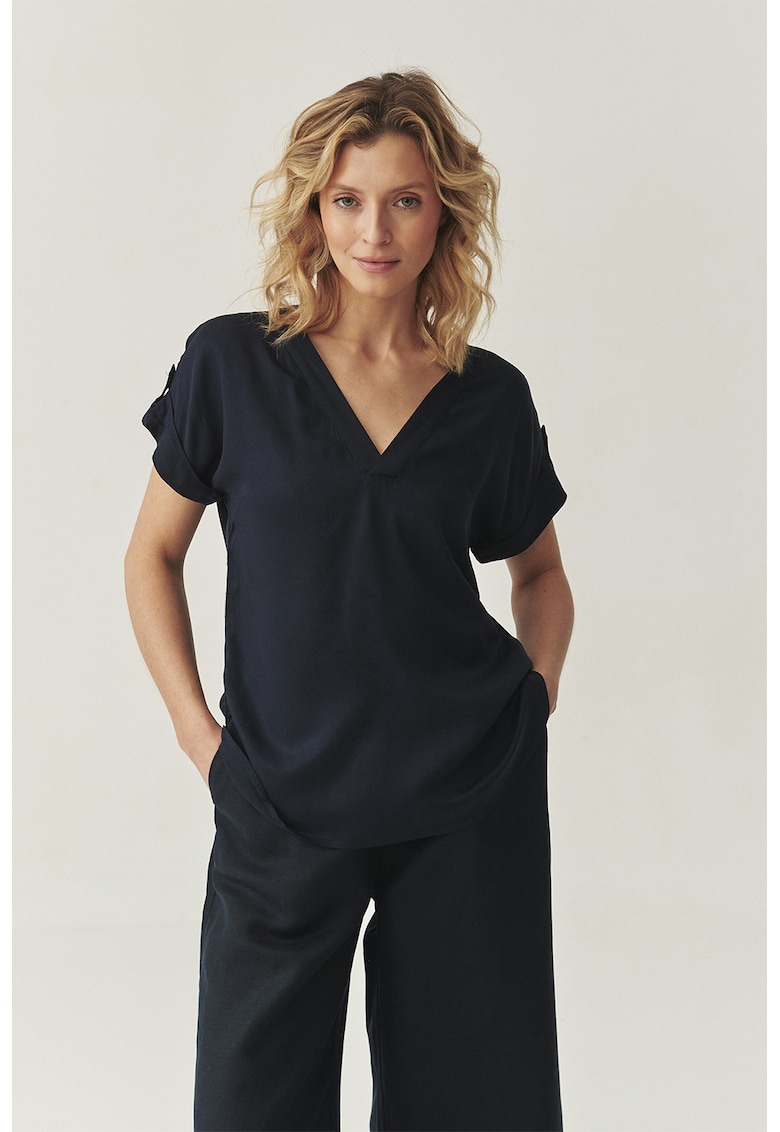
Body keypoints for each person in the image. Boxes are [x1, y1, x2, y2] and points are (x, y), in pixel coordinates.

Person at [124, 69, 574, 1132]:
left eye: (405, 200)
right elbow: (152, 555)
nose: (375, 230)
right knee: (251, 1108)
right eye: (348, 199)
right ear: (315, 211)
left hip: (466, 798)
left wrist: (533, 700)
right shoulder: (232, 367)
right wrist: (204, 743)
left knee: (473, 1111)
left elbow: (541, 574)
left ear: (442, 213)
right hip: (279, 799)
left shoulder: (488, 398)